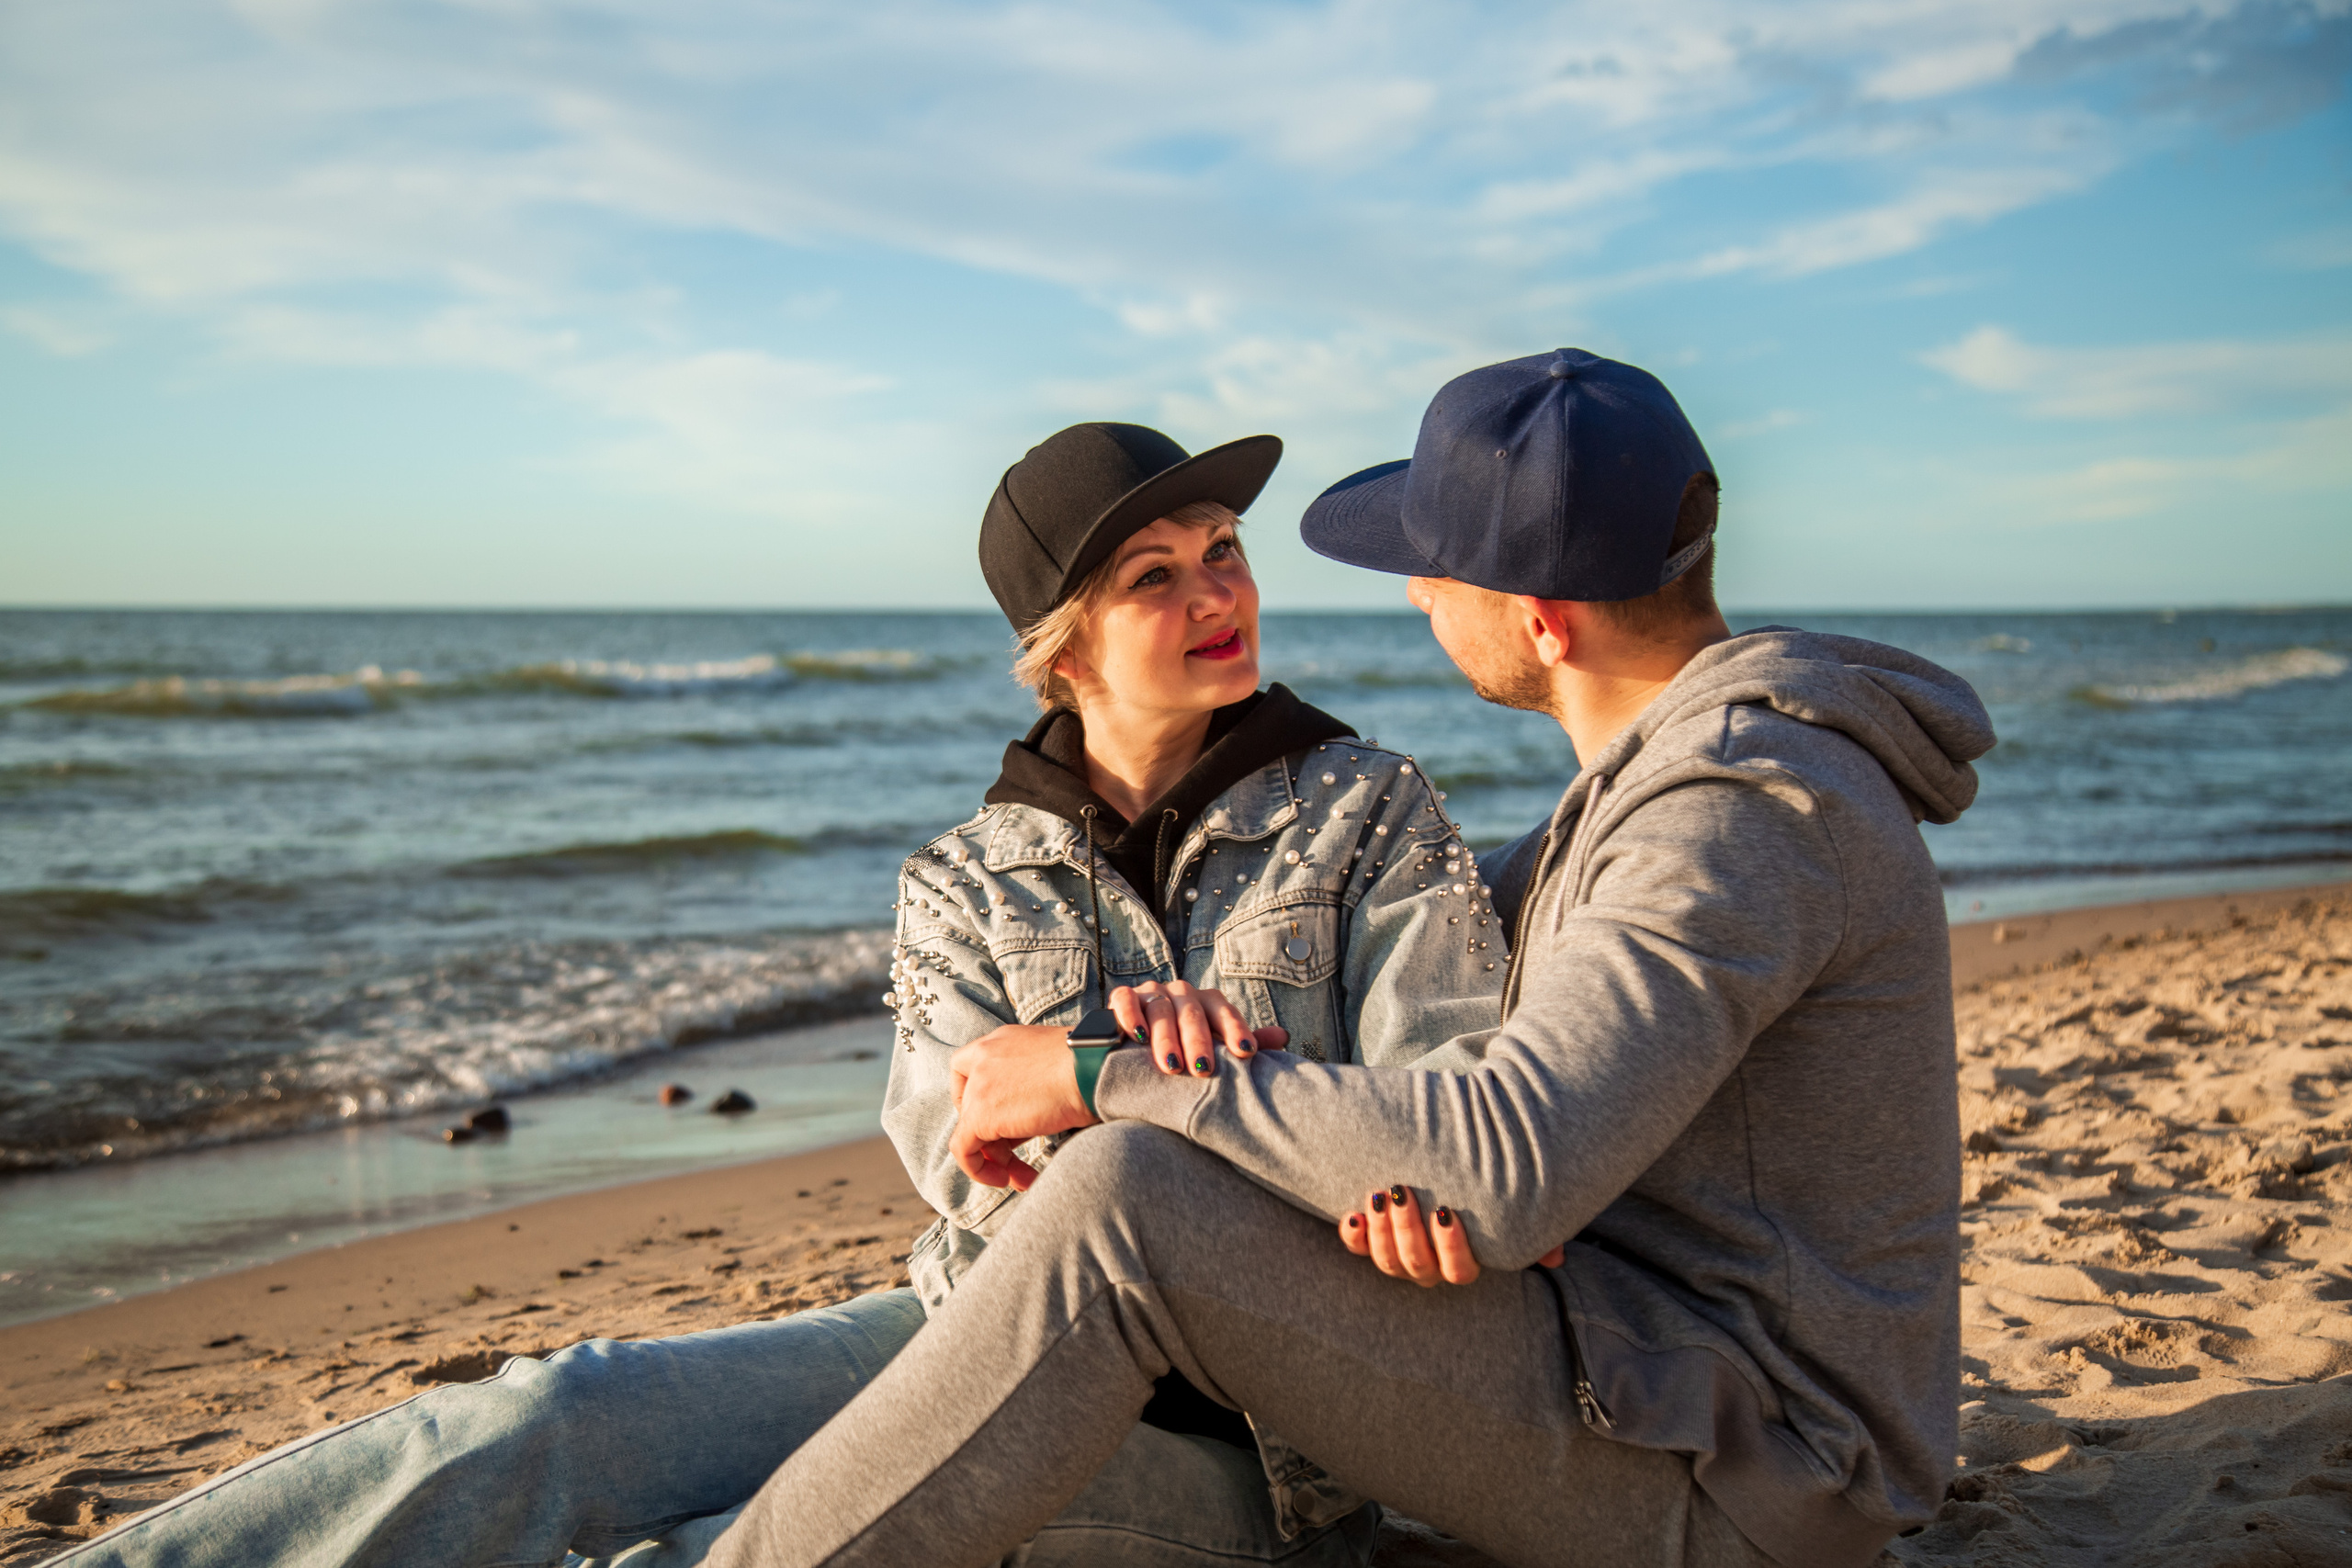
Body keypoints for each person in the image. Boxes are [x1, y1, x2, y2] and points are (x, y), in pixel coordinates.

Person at [57, 422, 1508, 1568]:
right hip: (955, 1341)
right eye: (1156, 575)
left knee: (705, 1554)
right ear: (1060, 648)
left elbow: (1437, 1138)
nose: (1217, 593)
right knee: (544, 1418)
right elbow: (968, 1171)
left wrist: (1129, 1090)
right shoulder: (961, 878)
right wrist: (1117, 1072)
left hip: (1251, 1454)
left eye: (1225, 552)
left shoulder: (1365, 809)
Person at [690, 349, 1996, 1568]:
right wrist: (1304, 1119)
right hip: (1640, 1366)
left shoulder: (1737, 812)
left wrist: (1103, 1076)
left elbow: (1497, 1165)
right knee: (660, 1426)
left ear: (1540, 618)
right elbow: (1465, 1110)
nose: (1415, 594)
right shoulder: (1651, 800)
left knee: (1123, 1199)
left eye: (1431, 568)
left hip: (1754, 1464)